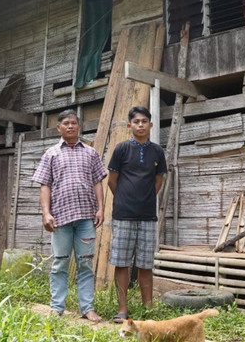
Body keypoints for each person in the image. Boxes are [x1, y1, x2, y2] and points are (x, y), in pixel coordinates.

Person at [32, 109, 106, 322]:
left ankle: (87, 308)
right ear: (59, 128)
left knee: (85, 264)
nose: (70, 126)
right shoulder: (51, 154)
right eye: (66, 123)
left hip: (86, 218)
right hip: (60, 219)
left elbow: (97, 182)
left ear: (79, 126)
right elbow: (45, 185)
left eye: (74, 123)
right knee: (59, 263)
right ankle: (57, 308)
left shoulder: (90, 153)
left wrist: (101, 208)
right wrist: (46, 213)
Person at [107, 106, 167, 323]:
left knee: (145, 263)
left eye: (144, 121)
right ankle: (122, 309)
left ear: (150, 124)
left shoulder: (157, 151)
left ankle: (147, 308)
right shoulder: (121, 149)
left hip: (148, 216)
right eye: (136, 121)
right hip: (123, 215)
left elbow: (158, 181)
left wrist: (145, 200)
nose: (140, 125)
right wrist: (125, 199)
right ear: (129, 125)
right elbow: (112, 181)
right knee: (122, 262)